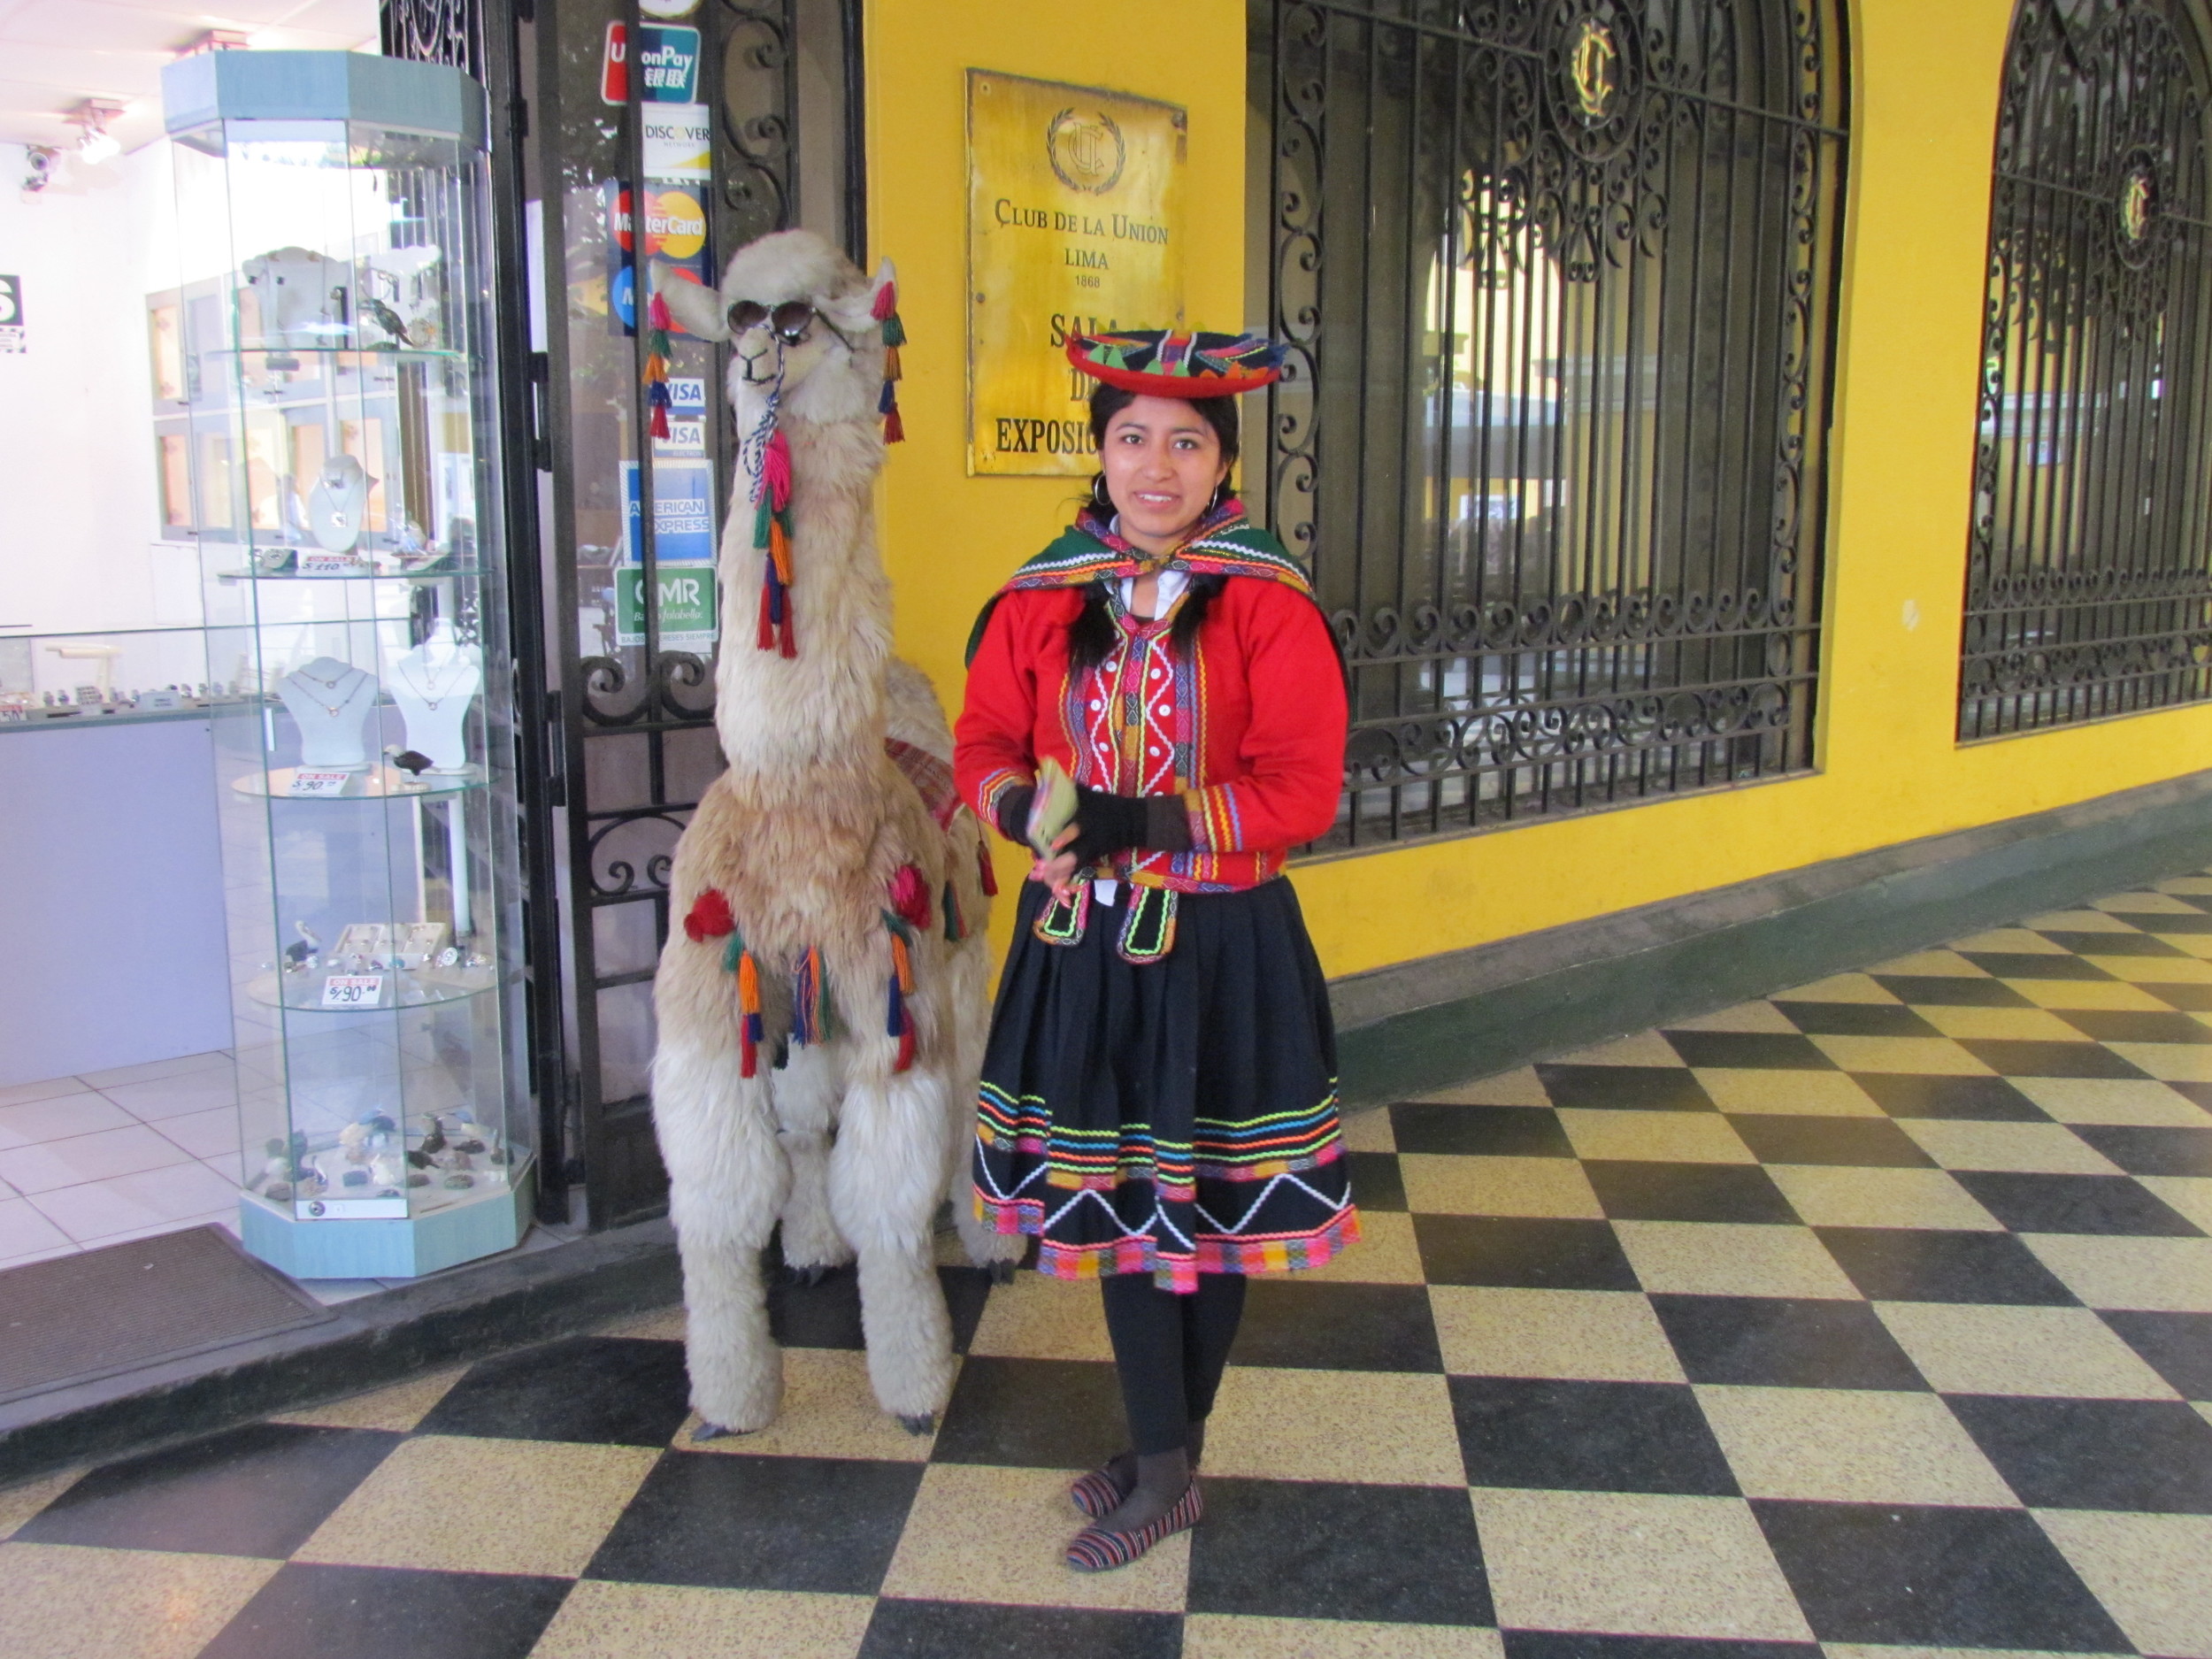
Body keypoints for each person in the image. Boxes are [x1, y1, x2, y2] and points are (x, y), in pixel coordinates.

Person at [954, 328, 1357, 1572]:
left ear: (1223, 462)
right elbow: (984, 743)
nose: (1156, 464)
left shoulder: (1267, 603)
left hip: (1220, 947)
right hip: (1085, 949)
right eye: (1133, 437)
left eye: (1186, 441)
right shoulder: (1038, 597)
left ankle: (1167, 1465)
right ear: (1101, 452)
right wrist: (1025, 812)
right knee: (1132, 1210)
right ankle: (1160, 1451)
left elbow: (1302, 790)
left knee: (1210, 1212)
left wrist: (1140, 821)